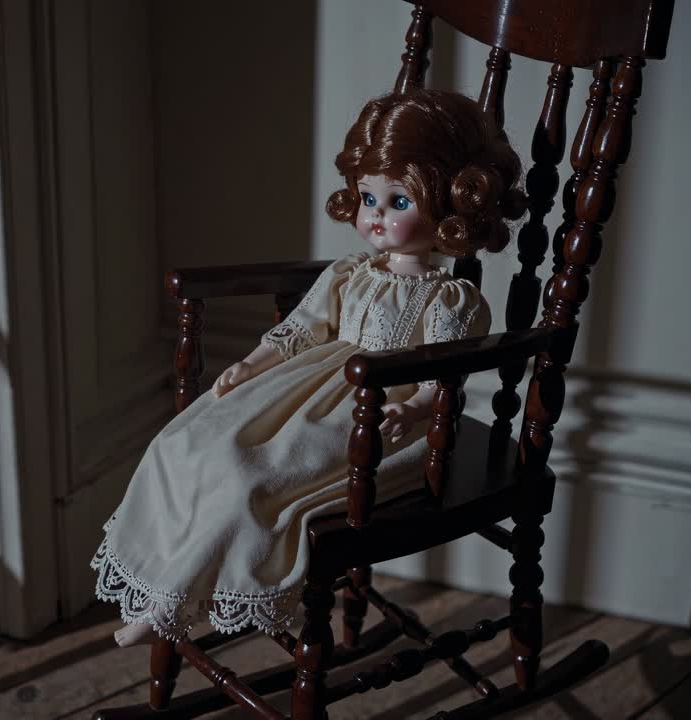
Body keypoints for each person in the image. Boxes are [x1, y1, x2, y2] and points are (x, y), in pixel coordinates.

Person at [92, 89, 528, 647]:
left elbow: (445, 376)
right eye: (369, 198)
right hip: (307, 387)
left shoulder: (451, 302)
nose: (375, 217)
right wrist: (251, 363)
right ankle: (162, 584)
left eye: (398, 202)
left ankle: (182, 595)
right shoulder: (351, 273)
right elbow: (303, 328)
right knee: (189, 443)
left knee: (252, 481)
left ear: (451, 205)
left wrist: (413, 407)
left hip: (378, 419)